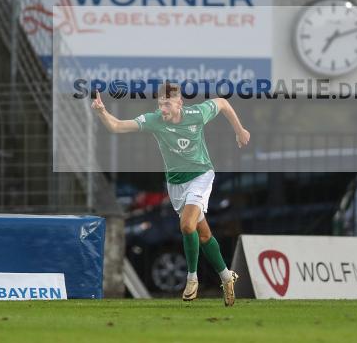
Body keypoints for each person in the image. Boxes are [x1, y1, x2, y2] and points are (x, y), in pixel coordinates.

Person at [91, 82, 249, 305]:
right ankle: (226, 275)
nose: (162, 108)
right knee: (203, 234)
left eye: (166, 104)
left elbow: (222, 103)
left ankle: (191, 278)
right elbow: (117, 126)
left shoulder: (196, 114)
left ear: (179, 103)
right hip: (176, 184)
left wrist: (239, 130)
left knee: (186, 226)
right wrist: (101, 112)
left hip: (201, 176)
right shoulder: (154, 120)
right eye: (160, 104)